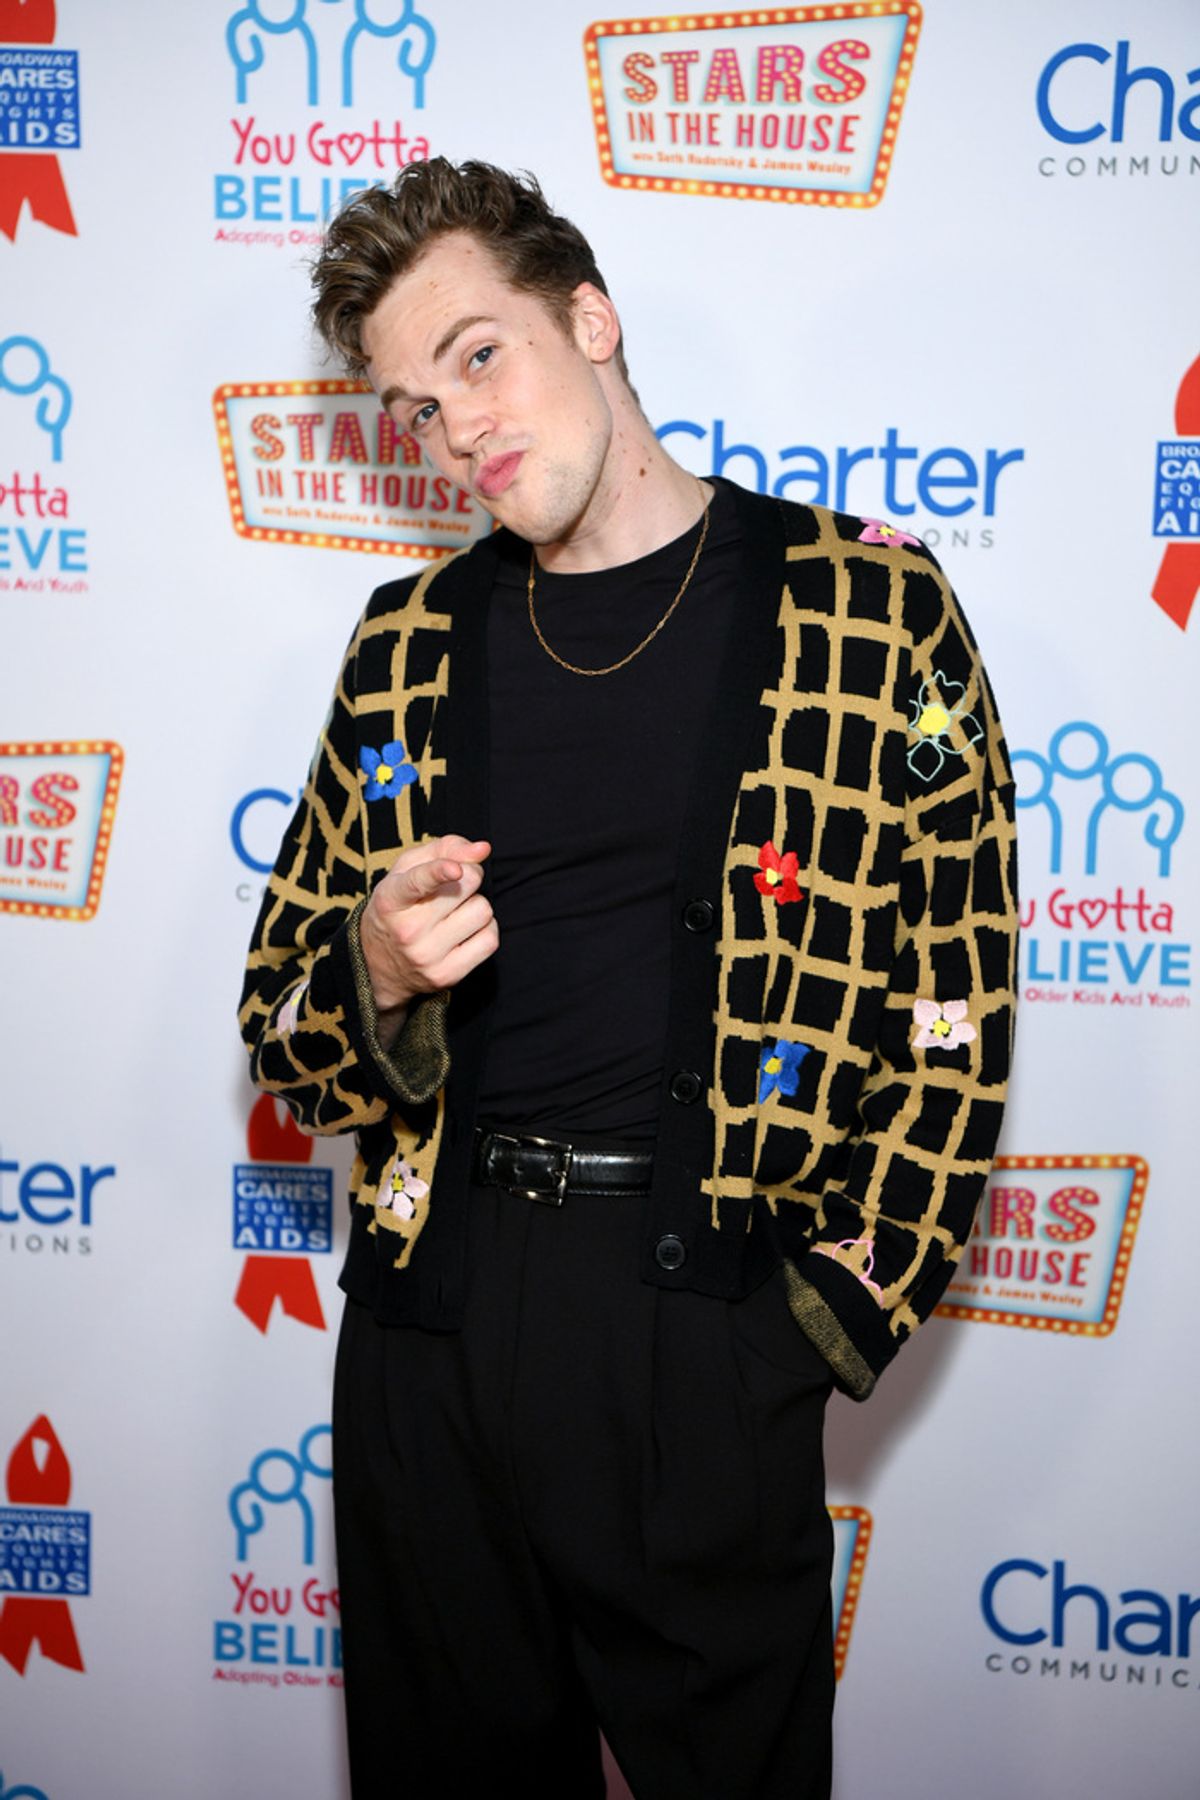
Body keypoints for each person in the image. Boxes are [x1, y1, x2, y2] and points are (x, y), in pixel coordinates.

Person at [239, 157, 1018, 1800]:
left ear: (589, 320)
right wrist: (374, 974)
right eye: (413, 404)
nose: (456, 430)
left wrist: (806, 1324)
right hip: (429, 1338)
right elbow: (283, 1034)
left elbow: (955, 1011)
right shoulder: (404, 646)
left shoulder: (868, 615)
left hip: (695, 1337)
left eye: (477, 357)